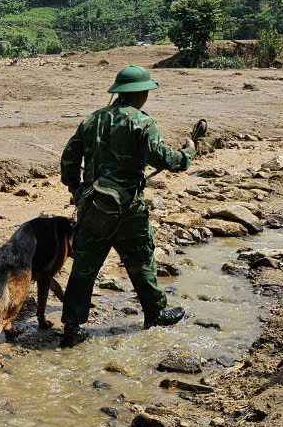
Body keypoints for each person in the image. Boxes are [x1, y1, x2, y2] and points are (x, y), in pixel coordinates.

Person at [59, 65, 196, 347]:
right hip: (128, 211)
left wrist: (77, 190)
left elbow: (68, 160)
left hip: (93, 208)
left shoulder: (91, 120)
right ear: (140, 94)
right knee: (140, 260)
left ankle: (72, 329)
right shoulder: (143, 123)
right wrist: (188, 152)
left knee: (84, 268)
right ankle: (155, 313)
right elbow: (164, 159)